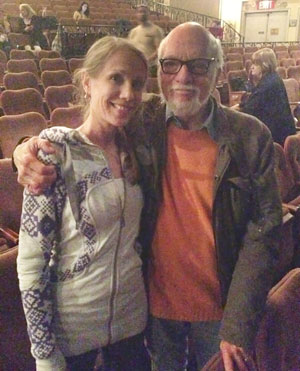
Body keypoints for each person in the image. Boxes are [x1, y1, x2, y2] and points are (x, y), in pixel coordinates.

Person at [14, 23, 283, 370]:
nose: (183, 76)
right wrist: (27, 150)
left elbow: (265, 232)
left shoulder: (250, 136)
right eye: (170, 64)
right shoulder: (143, 118)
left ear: (218, 70)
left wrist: (239, 324)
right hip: (152, 310)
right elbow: (77, 135)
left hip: (219, 313)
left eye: (199, 64)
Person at [16, 36, 151, 371]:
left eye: (137, 83)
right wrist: (44, 353)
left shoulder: (140, 147)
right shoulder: (55, 152)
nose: (128, 94)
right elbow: (32, 263)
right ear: (88, 82)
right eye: (116, 79)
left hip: (132, 324)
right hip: (73, 331)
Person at [239, 48, 295, 146]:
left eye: (255, 64)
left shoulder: (267, 84)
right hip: (281, 131)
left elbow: (248, 111)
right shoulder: (273, 78)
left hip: (275, 137)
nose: (252, 67)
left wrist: (230, 111)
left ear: (265, 65)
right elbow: (253, 101)